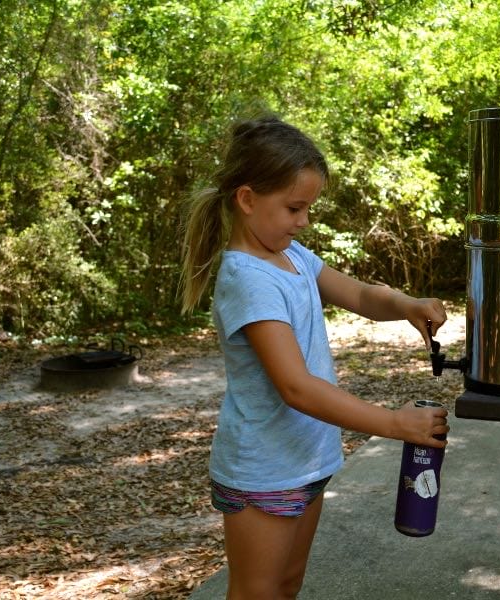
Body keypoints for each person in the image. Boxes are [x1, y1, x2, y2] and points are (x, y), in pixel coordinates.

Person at [179, 115, 450, 600]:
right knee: (257, 593)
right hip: (264, 470)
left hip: (305, 460)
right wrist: (393, 423)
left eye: (308, 207)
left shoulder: (292, 257)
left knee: (286, 586)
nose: (304, 220)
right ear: (246, 200)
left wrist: (407, 306)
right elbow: (295, 386)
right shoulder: (249, 279)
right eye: (294, 208)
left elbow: (362, 296)